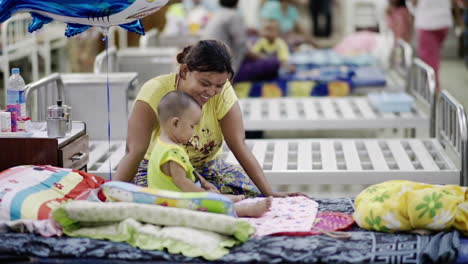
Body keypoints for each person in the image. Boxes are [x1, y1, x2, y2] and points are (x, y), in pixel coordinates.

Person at [114, 39, 304, 198]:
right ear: (184, 71)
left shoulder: (222, 92)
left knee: (255, 199)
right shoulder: (156, 91)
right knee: (172, 206)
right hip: (163, 171)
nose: (211, 92)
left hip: (207, 169)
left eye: (219, 85)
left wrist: (269, 193)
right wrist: (113, 194)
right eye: (204, 83)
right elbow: (134, 151)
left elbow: (239, 144)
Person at [148, 90, 272, 217]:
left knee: (213, 197)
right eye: (192, 126)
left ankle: (224, 198)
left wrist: (204, 183)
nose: (193, 132)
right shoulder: (171, 153)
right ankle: (247, 210)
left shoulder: (161, 145)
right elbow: (182, 182)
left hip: (176, 198)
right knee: (214, 208)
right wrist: (205, 195)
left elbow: (188, 170)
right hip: (176, 204)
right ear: (175, 123)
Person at [408, 0, 455, 92]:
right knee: (434, 56)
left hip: (427, 22)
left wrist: (413, 11)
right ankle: (431, 87)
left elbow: (413, 2)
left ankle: (433, 89)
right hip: (443, 21)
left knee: (429, 59)